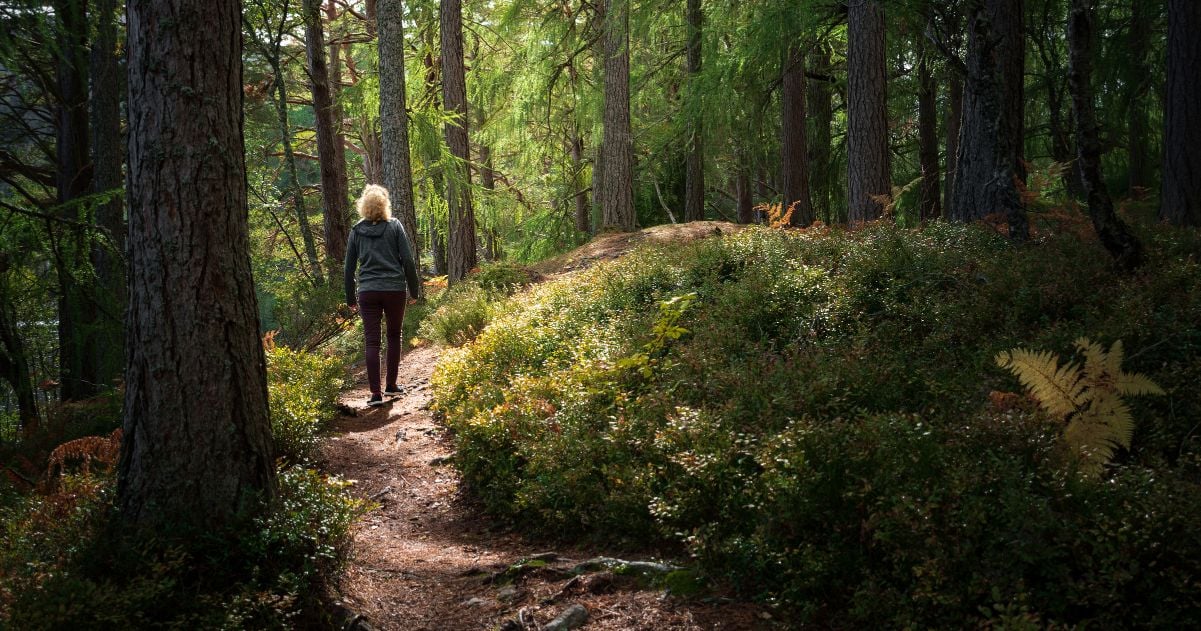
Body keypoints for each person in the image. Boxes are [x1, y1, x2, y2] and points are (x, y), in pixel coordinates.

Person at [344, 185, 421, 407]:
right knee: (394, 335)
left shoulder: (356, 230)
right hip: (394, 289)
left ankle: (375, 394)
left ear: (364, 206)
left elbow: (348, 269)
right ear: (384, 205)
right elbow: (407, 260)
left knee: (372, 342)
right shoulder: (394, 226)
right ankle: (391, 385)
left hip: (368, 291)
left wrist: (350, 298)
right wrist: (414, 290)